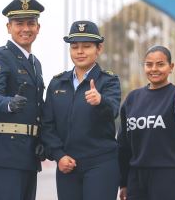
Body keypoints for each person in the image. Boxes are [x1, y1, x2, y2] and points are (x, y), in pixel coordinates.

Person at [42, 20, 121, 200]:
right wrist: (58, 156)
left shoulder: (108, 81)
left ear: (98, 49)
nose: (80, 51)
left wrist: (100, 101)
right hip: (67, 164)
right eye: (74, 46)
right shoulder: (57, 83)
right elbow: (47, 125)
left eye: (86, 46)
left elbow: (113, 111)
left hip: (101, 164)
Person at [0, 0, 46, 200]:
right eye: (19, 24)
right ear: (8, 27)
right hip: (5, 156)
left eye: (31, 23)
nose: (25, 29)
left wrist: (43, 138)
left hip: (28, 154)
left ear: (38, 27)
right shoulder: (0, 56)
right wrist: (9, 104)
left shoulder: (35, 63)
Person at [118, 45, 175, 200]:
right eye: (149, 64)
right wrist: (124, 182)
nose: (154, 69)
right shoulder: (132, 98)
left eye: (160, 64)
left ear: (171, 67)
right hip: (136, 176)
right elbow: (123, 144)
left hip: (168, 175)